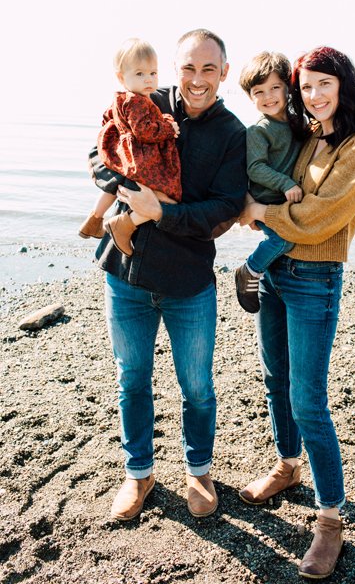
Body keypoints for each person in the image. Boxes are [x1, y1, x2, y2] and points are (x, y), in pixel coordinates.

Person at [237, 46, 355, 579]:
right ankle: (286, 466)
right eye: (305, 88)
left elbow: (322, 216)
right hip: (276, 273)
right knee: (275, 379)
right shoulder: (310, 136)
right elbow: (272, 177)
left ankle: (329, 521)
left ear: (344, 84)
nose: (314, 95)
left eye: (323, 84)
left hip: (315, 280)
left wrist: (260, 211)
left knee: (309, 401)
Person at [88, 29, 246, 521]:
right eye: (187, 68)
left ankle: (198, 471)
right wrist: (122, 184)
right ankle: (139, 474)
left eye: (208, 69)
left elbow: (223, 209)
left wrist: (160, 212)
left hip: (188, 283)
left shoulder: (232, 133)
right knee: (131, 380)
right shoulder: (146, 101)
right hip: (126, 275)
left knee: (196, 386)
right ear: (174, 68)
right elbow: (98, 152)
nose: (196, 80)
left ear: (223, 71)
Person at [79, 38, 181, 254]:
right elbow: (145, 130)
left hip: (127, 155)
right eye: (140, 74)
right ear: (121, 77)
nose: (148, 80)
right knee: (168, 198)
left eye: (153, 73)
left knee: (114, 186)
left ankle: (94, 219)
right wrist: (168, 128)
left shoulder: (123, 99)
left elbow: (110, 118)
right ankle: (124, 224)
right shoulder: (137, 101)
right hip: (141, 159)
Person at [233, 51, 301, 313]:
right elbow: (255, 167)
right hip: (266, 199)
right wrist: (285, 183)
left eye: (275, 87)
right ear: (250, 96)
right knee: (285, 240)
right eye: (258, 91)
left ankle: (266, 271)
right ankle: (249, 270)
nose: (268, 96)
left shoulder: (297, 123)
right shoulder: (259, 130)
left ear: (288, 88)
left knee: (285, 240)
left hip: (282, 201)